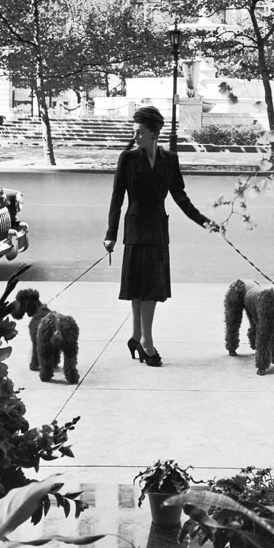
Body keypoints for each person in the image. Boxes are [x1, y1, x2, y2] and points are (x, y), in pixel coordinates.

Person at [103, 105, 219, 367]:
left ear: (154, 132)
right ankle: (146, 342)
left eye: (140, 132)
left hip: (157, 230)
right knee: (138, 287)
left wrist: (204, 222)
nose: (136, 136)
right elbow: (117, 198)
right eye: (134, 131)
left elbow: (179, 196)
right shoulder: (127, 159)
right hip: (134, 230)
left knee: (150, 289)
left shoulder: (170, 159)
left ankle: (137, 337)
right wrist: (110, 234)